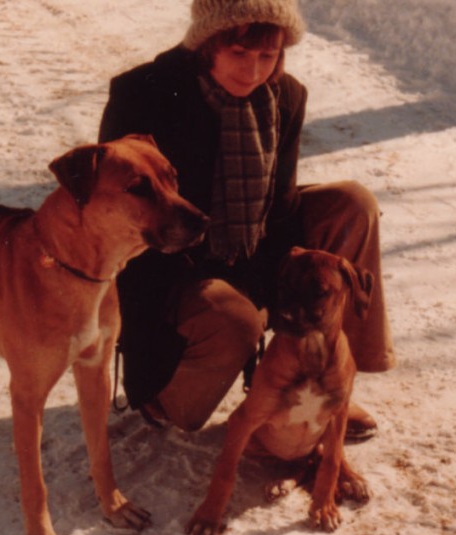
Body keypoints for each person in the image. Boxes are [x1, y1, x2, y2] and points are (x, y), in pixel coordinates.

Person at [98, 0, 395, 439]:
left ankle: (330, 388)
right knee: (235, 317)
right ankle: (168, 398)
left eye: (267, 56)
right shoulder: (146, 92)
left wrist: (279, 287)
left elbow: (282, 205)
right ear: (207, 44)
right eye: (239, 53)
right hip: (173, 267)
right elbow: (115, 217)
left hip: (252, 246)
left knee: (353, 203)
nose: (253, 70)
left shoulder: (287, 96)